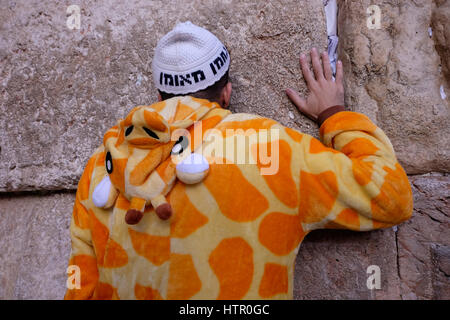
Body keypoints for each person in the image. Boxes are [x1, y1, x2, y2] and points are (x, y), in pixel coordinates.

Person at [64, 22, 413, 300]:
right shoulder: (270, 147)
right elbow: (390, 198)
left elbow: (81, 286)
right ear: (226, 91)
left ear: (159, 95)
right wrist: (334, 114)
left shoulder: (104, 164)